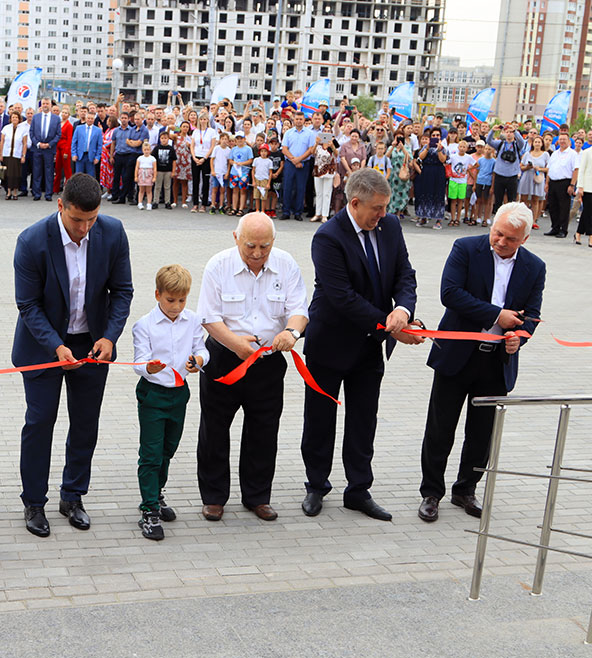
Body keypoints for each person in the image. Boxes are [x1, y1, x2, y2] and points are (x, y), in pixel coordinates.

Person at [12, 173, 133, 537]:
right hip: (44, 347)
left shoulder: (112, 233)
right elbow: (28, 304)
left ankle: (73, 496)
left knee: (84, 424)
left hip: (92, 346)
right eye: (77, 220)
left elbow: (122, 292)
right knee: (39, 424)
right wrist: (56, 345)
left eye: (91, 220)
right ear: (60, 205)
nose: (84, 228)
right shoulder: (32, 241)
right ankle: (34, 502)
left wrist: (110, 337)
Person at [300, 168, 420, 522]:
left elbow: (405, 274)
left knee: (363, 420)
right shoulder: (328, 237)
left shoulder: (390, 226)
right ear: (355, 203)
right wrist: (390, 327)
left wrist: (403, 308)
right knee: (320, 419)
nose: (383, 214)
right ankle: (316, 485)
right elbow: (342, 298)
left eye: (385, 208)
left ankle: (358, 490)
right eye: (377, 208)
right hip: (330, 344)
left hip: (369, 346)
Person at [418, 203, 545, 522]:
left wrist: (520, 336)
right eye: (497, 233)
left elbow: (532, 314)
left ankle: (466, 489)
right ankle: (431, 492)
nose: (501, 242)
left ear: (525, 239)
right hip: (457, 356)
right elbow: (450, 294)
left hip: (496, 362)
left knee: (482, 433)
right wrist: (495, 315)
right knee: (440, 428)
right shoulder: (465, 248)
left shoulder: (535, 267)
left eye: (510, 239)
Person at [196, 213, 309, 522]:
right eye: (250, 246)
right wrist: (235, 344)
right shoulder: (218, 266)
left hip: (267, 362)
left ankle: (257, 496)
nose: (258, 253)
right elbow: (208, 316)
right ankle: (214, 496)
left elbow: (299, 309)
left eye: (265, 246)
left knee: (263, 430)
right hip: (225, 359)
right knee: (214, 429)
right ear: (236, 237)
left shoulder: (285, 264)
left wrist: (291, 332)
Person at [131, 264, 208, 540]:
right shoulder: (144, 325)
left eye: (182, 300)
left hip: (179, 393)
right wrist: (147, 368)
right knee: (151, 453)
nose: (176, 306)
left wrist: (198, 361)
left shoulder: (193, 321)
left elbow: (201, 349)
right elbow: (139, 361)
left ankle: (157, 493)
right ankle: (148, 509)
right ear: (157, 295)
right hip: (153, 395)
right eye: (170, 300)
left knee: (168, 449)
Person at [543, 128, 580, 239]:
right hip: (553, 182)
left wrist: (572, 185)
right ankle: (555, 227)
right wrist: (547, 183)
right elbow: (549, 169)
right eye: (560, 139)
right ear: (558, 141)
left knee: (563, 207)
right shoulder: (554, 153)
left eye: (564, 139)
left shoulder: (572, 154)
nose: (562, 141)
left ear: (569, 141)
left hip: (565, 182)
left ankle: (563, 230)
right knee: (553, 206)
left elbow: (576, 170)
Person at [280, 115, 316, 220]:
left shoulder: (309, 133)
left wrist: (299, 159)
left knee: (301, 188)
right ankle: (286, 211)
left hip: (303, 164)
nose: (299, 121)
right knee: (287, 187)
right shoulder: (288, 133)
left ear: (304, 120)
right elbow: (284, 149)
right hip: (290, 163)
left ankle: (298, 212)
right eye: (297, 119)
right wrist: (293, 160)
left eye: (301, 119)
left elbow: (310, 149)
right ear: (294, 120)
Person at [485, 122, 527, 207]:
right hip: (500, 175)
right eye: (507, 132)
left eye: (511, 132)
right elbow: (489, 141)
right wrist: (492, 130)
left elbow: (522, 142)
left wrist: (515, 131)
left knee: (512, 200)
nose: (509, 134)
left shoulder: (517, 145)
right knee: (498, 200)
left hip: (512, 176)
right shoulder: (500, 143)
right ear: (504, 133)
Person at [28, 98, 62, 201]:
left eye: (47, 103)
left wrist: (49, 144)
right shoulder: (36, 117)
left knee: (49, 172)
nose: (45, 105)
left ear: (51, 105)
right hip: (37, 149)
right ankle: (37, 193)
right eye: (43, 104)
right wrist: (38, 143)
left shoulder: (56, 119)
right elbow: (31, 133)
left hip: (49, 149)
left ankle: (48, 194)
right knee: (37, 172)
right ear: (41, 105)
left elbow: (58, 134)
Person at [415, 127, 449, 229]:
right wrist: (427, 147)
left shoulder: (443, 148)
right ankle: (423, 217)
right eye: (433, 135)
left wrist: (439, 150)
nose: (435, 137)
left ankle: (438, 220)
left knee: (438, 194)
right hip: (427, 171)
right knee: (425, 193)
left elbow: (443, 160)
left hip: (438, 172)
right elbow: (420, 157)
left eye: (437, 135)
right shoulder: (426, 146)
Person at [190, 114, 218, 212]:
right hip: (196, 157)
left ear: (207, 120)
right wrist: (194, 157)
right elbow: (192, 145)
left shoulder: (211, 131)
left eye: (205, 119)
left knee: (206, 181)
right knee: (195, 181)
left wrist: (204, 158)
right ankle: (195, 204)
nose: (203, 121)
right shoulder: (195, 131)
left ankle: (204, 204)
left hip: (206, 158)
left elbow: (212, 146)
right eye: (201, 119)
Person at [0, 109, 27, 200]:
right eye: (13, 117)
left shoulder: (23, 129)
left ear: (19, 119)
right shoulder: (6, 128)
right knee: (7, 174)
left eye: (16, 117)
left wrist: (23, 155)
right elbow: (2, 142)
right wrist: (1, 154)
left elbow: (25, 144)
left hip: (17, 155)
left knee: (16, 174)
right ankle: (8, 192)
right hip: (7, 154)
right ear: (10, 118)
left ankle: (15, 192)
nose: (14, 119)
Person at [310, 136, 337, 222]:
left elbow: (337, 154)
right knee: (318, 193)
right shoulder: (318, 144)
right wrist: (317, 143)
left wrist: (332, 145)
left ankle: (325, 214)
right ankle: (318, 213)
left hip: (329, 171)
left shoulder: (333, 142)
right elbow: (312, 152)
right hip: (318, 170)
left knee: (327, 193)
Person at [447, 140, 472, 226]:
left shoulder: (468, 157)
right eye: (460, 147)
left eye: (464, 147)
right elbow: (447, 163)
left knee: (460, 200)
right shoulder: (453, 156)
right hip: (453, 180)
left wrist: (468, 170)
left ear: (467, 148)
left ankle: (458, 219)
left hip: (462, 181)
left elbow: (476, 164)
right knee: (453, 200)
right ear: (458, 148)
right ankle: (453, 218)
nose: (462, 148)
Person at [71, 110, 103, 178]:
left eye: (92, 118)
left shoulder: (98, 130)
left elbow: (99, 145)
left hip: (91, 157)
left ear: (94, 120)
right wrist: (74, 154)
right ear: (86, 118)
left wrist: (97, 157)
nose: (90, 120)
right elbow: (74, 142)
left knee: (90, 177)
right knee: (78, 176)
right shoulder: (79, 128)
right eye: (88, 118)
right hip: (80, 156)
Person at [228, 131, 253, 217]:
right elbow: (230, 160)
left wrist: (242, 163)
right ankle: (234, 208)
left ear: (244, 139)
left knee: (243, 191)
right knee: (235, 190)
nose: (239, 140)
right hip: (234, 172)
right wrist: (234, 163)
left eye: (241, 139)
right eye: (237, 139)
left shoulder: (248, 149)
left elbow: (250, 160)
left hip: (243, 173)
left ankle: (241, 208)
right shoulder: (234, 149)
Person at [387, 135, 411, 217]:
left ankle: (398, 213)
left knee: (401, 194)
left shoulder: (407, 148)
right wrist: (392, 147)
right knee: (391, 194)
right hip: (392, 174)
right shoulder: (391, 147)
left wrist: (403, 148)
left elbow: (410, 158)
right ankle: (390, 212)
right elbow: (386, 157)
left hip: (401, 174)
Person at [152, 130, 176, 209]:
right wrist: (154, 170)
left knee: (167, 187)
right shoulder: (157, 148)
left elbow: (174, 161)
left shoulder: (171, 149)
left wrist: (173, 171)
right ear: (160, 139)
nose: (164, 140)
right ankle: (155, 201)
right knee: (157, 187)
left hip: (168, 171)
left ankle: (167, 202)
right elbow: (153, 159)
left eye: (165, 138)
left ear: (168, 139)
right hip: (159, 170)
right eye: (162, 138)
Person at [209, 132, 231, 214]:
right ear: (220, 140)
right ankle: (213, 205)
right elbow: (212, 159)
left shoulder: (229, 150)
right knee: (214, 189)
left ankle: (221, 206)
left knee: (222, 190)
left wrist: (227, 173)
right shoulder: (216, 148)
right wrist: (212, 170)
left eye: (226, 139)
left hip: (224, 173)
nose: (224, 141)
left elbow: (229, 162)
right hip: (216, 173)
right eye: (222, 139)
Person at [53, 107, 73, 193]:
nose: (64, 114)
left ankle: (69, 189)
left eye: (66, 113)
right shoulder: (59, 123)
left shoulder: (69, 125)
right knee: (57, 169)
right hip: (58, 148)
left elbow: (69, 139)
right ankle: (56, 188)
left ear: (68, 115)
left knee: (67, 170)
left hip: (65, 148)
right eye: (63, 112)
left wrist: (66, 151)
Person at [173, 121, 192, 208]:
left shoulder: (190, 138)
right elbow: (169, 134)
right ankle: (175, 201)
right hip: (177, 161)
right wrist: (172, 128)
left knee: (184, 182)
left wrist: (189, 146)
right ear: (180, 127)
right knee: (176, 181)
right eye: (183, 126)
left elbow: (192, 150)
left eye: (187, 127)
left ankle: (184, 201)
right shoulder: (176, 137)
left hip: (186, 162)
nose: (185, 128)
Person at [576, 144, 592, 246]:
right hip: (588, 187)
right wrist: (580, 186)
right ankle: (590, 236)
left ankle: (578, 232)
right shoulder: (587, 152)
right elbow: (581, 170)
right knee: (588, 211)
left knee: (587, 212)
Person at [135, 140, 157, 210]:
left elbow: (155, 168)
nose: (146, 151)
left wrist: (154, 177)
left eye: (148, 150)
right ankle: (140, 203)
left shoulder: (152, 158)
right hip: (142, 174)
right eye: (145, 150)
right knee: (141, 190)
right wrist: (136, 176)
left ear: (150, 150)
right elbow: (137, 168)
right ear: (142, 150)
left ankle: (149, 203)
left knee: (149, 190)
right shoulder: (140, 158)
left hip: (149, 174)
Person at [99, 115, 118, 196]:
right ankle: (108, 190)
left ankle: (112, 191)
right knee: (106, 173)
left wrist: (103, 142)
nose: (107, 122)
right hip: (104, 156)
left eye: (109, 120)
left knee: (111, 174)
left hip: (109, 154)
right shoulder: (107, 130)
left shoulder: (114, 130)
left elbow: (110, 142)